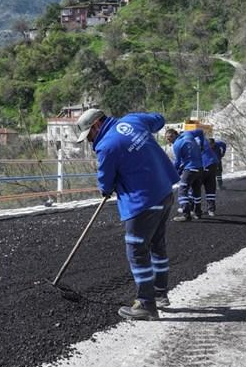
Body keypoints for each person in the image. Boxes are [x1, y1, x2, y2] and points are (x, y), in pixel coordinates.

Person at [77, 108, 179, 321]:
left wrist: (107, 188)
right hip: (164, 192)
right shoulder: (133, 121)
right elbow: (159, 120)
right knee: (157, 245)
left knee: (136, 249)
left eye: (89, 136)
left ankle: (146, 304)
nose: (89, 141)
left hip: (142, 202)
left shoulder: (106, 146)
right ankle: (160, 294)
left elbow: (105, 183)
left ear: (96, 125)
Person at [164, 128, 204, 222]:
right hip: (200, 168)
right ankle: (198, 213)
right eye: (167, 138)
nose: (169, 140)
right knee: (196, 190)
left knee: (182, 190)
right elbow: (200, 132)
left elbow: (178, 162)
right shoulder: (188, 134)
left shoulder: (177, 145)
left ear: (175, 135)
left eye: (170, 138)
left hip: (190, 168)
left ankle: (186, 214)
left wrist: (173, 174)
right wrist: (201, 144)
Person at [200, 136, 220, 216]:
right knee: (210, 188)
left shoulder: (197, 143)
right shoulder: (213, 145)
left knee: (195, 188)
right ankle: (211, 210)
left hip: (205, 165)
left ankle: (194, 210)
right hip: (214, 165)